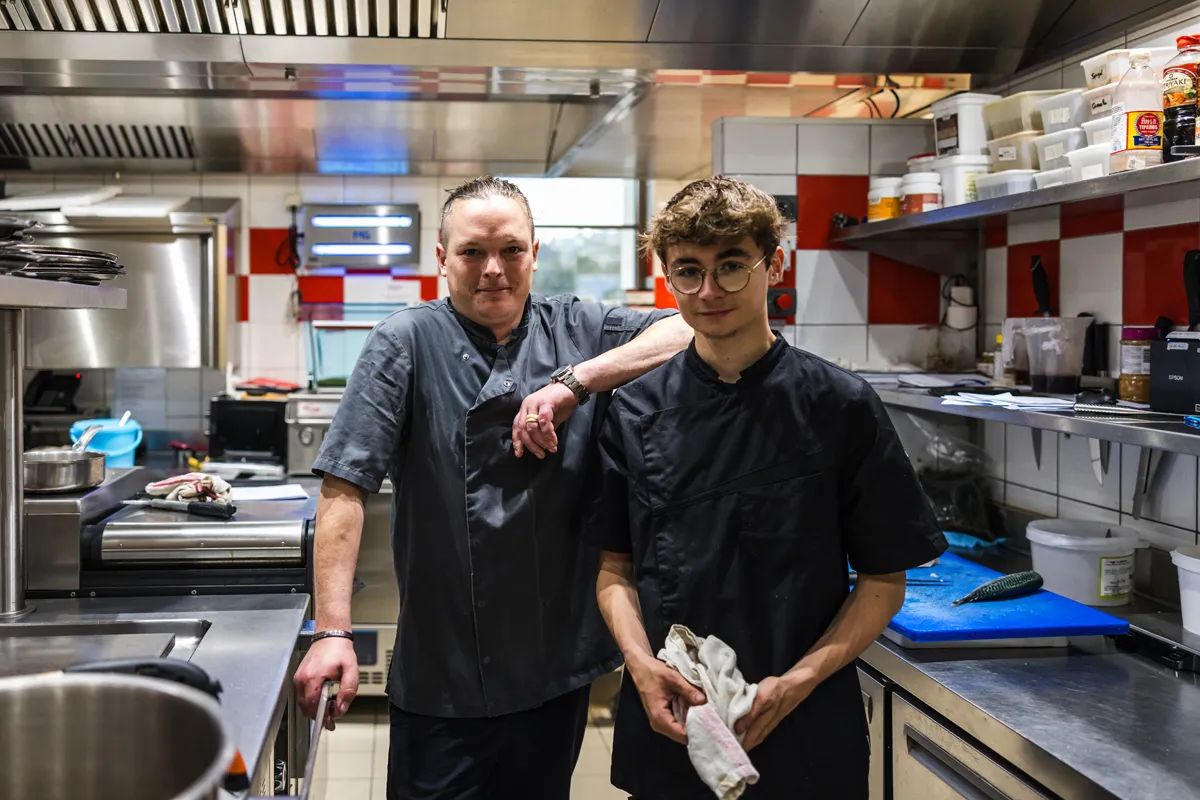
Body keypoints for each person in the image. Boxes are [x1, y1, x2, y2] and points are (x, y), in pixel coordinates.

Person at [293, 176, 692, 799]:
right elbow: (346, 487)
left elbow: (686, 328)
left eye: (510, 250)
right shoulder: (405, 341)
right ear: (442, 259)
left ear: (536, 252)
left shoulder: (578, 327)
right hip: (443, 670)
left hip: (552, 665)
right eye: (473, 253)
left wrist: (575, 383)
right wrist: (333, 632)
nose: (493, 271)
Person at [592, 177, 948, 798]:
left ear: (772, 265)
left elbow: (885, 582)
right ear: (667, 277)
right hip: (675, 718)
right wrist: (641, 668)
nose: (709, 292)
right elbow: (613, 570)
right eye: (688, 271)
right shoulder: (634, 411)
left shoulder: (839, 405)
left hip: (805, 722)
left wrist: (799, 682)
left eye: (731, 267)